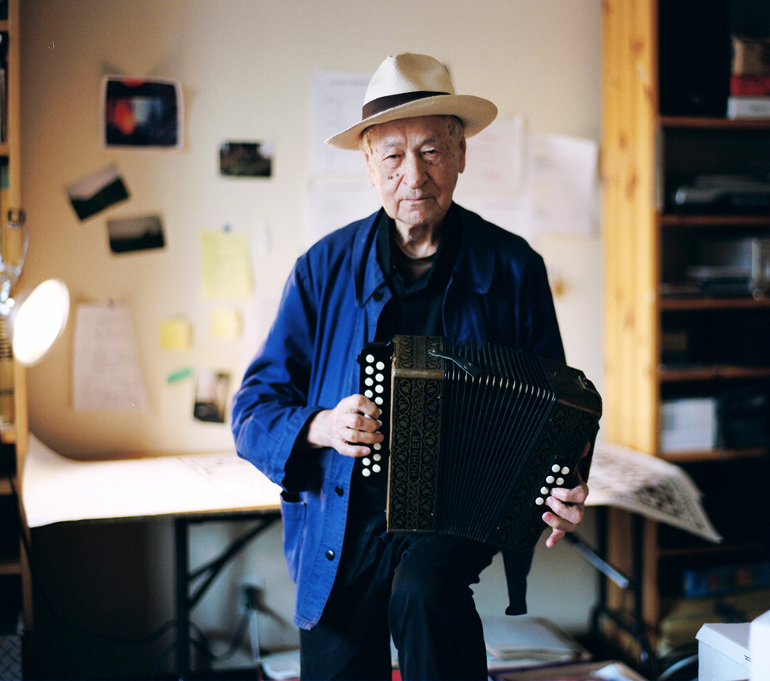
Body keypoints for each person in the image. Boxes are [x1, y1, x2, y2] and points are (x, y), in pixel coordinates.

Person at [231, 52, 591, 681]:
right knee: (338, 657)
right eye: (393, 156)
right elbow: (253, 411)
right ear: (369, 166)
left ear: (460, 155)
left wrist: (566, 482)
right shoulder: (323, 268)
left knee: (425, 593)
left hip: (457, 511)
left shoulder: (514, 268)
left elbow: (558, 409)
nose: (414, 175)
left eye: (431, 151)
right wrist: (321, 426)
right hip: (347, 512)